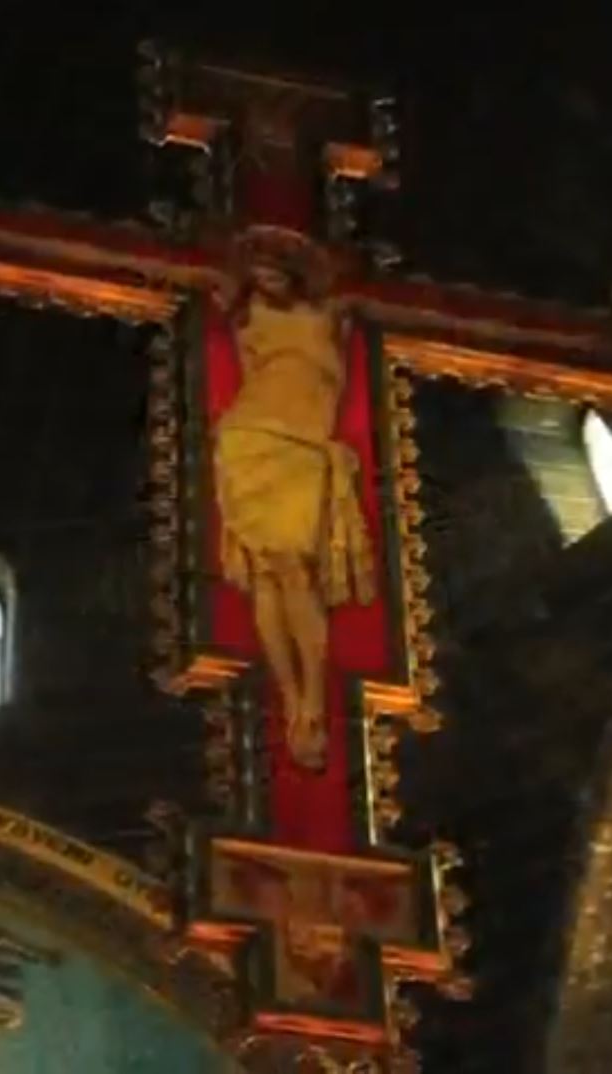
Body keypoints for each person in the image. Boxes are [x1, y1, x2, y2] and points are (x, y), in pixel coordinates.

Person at [212, 228, 376, 770]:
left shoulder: (331, 313)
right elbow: (250, 374)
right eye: (256, 271)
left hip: (303, 444)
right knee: (268, 572)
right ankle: (290, 700)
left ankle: (313, 699)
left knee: (295, 571)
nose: (265, 278)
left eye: (274, 268)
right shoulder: (246, 320)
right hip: (251, 437)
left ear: (293, 269)